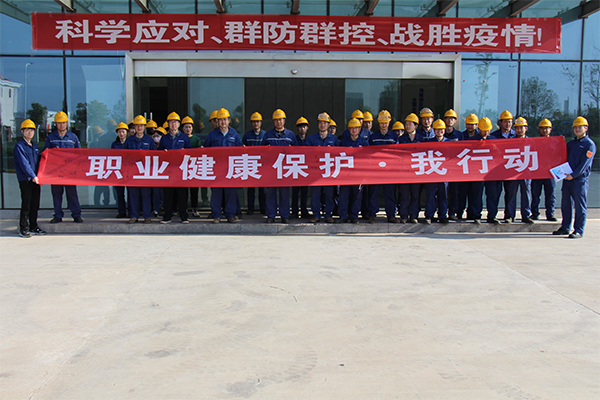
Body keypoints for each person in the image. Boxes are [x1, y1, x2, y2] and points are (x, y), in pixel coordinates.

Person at [553, 117, 596, 239]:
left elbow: (585, 164)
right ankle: (565, 228)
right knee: (566, 204)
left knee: (580, 205)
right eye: (575, 127)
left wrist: (574, 175)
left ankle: (578, 230)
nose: (577, 129)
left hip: (579, 180)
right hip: (567, 179)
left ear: (586, 128)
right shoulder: (571, 143)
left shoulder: (589, 145)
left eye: (579, 127)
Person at [204, 108, 242, 223]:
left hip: (230, 168)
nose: (223, 122)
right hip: (216, 169)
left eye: (225, 119)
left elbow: (240, 151)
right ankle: (217, 215)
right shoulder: (212, 135)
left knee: (230, 192)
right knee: (216, 192)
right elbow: (205, 151)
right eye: (220, 120)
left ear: (229, 120)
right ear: (217, 121)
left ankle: (230, 214)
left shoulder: (234, 134)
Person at [45, 111, 83, 224]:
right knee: (57, 194)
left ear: (67, 123)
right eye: (59, 123)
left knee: (72, 194)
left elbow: (79, 154)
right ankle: (58, 215)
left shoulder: (73, 137)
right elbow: (45, 153)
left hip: (70, 172)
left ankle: (76, 215)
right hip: (56, 172)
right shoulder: (51, 137)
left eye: (63, 123)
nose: (61, 125)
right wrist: (53, 151)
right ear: (56, 124)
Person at [262, 109, 297, 223]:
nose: (278, 122)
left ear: (284, 120)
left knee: (284, 193)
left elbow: (297, 152)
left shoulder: (290, 135)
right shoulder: (268, 135)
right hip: (271, 170)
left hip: (285, 169)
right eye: (276, 120)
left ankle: (284, 215)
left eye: (280, 120)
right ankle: (271, 215)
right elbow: (261, 151)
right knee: (270, 193)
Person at [14, 119, 45, 238]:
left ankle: (33, 226)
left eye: (32, 130)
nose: (30, 132)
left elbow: (40, 161)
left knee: (35, 205)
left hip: (36, 180)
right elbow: (24, 164)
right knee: (26, 205)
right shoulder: (19, 146)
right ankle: (23, 228)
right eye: (27, 130)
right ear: (22, 131)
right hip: (26, 180)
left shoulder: (34, 146)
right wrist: (32, 176)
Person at [159, 112, 191, 224]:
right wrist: (163, 153)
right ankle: (167, 216)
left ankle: (184, 216)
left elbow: (190, 153)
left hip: (181, 170)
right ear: (168, 124)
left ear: (179, 124)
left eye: (175, 122)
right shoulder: (164, 138)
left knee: (182, 195)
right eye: (171, 122)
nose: (173, 124)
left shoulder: (184, 138)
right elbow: (158, 154)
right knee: (168, 194)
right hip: (168, 171)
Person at [307, 112, 339, 223]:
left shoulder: (334, 139)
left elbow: (340, 155)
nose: (322, 125)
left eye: (325, 123)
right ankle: (316, 215)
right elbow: (306, 154)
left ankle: (328, 214)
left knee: (329, 195)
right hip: (315, 172)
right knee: (315, 194)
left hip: (329, 172)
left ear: (328, 124)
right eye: (320, 122)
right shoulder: (311, 139)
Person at [124, 115, 156, 223]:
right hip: (132, 172)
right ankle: (134, 215)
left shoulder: (149, 140)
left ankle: (147, 215)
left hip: (145, 172)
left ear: (145, 127)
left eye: (141, 125)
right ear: (134, 127)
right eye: (137, 125)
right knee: (133, 194)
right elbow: (123, 155)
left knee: (146, 195)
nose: (139, 127)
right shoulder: (129, 140)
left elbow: (154, 156)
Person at [368, 110, 398, 223]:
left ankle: (391, 214)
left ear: (389, 122)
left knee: (390, 193)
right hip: (376, 170)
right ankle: (372, 214)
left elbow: (397, 153)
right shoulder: (373, 136)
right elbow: (369, 153)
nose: (384, 125)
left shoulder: (394, 136)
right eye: (382, 123)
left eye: (385, 122)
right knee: (374, 192)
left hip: (389, 171)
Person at [503, 117, 534, 224]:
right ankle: (509, 215)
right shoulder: (510, 141)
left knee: (526, 193)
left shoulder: (531, 142)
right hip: (512, 171)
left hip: (526, 171)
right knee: (511, 193)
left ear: (526, 128)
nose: (519, 130)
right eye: (517, 128)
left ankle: (526, 215)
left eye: (522, 127)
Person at [338, 118, 369, 223]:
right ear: (349, 129)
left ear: (360, 129)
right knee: (343, 195)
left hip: (358, 174)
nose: (354, 130)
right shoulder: (344, 142)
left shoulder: (364, 142)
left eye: (356, 128)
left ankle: (354, 216)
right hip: (346, 174)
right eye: (352, 128)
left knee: (357, 195)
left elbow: (368, 157)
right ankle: (343, 216)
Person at [397, 113, 424, 223]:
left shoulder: (421, 139)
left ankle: (413, 215)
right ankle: (404, 215)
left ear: (416, 126)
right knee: (404, 194)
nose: (407, 126)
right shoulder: (401, 139)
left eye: (410, 124)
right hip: (404, 172)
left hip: (416, 171)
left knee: (415, 194)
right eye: (406, 124)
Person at [422, 119, 450, 224]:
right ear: (434, 130)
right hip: (432, 172)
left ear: (445, 130)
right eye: (437, 129)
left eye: (441, 129)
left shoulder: (449, 143)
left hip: (444, 173)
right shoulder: (429, 142)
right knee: (430, 195)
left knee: (443, 195)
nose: (439, 131)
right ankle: (429, 215)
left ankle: (442, 215)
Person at [466, 117, 494, 224]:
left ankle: (492, 215)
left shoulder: (494, 140)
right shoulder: (472, 140)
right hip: (477, 172)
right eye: (483, 130)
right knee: (476, 194)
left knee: (492, 194)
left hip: (490, 172)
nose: (485, 133)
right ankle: (476, 214)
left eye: (487, 130)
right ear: (479, 129)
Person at [531, 119, 557, 221]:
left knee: (550, 194)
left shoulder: (555, 142)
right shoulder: (535, 142)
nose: (544, 130)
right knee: (535, 194)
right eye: (542, 128)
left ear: (550, 129)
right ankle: (534, 213)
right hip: (537, 172)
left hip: (550, 173)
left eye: (547, 128)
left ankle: (550, 213)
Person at [456, 114, 480, 220]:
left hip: (476, 170)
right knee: (462, 193)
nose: (470, 126)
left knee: (475, 194)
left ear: (477, 125)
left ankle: (473, 214)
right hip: (463, 170)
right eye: (468, 124)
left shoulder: (481, 137)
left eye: (472, 124)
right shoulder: (461, 136)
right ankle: (459, 213)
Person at [242, 112, 266, 215]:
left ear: (261, 122)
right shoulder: (247, 136)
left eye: (257, 121)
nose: (256, 124)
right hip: (250, 165)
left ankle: (263, 208)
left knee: (263, 189)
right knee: (250, 189)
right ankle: (250, 208)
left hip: (262, 166)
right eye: (254, 122)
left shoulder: (265, 135)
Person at [180, 116, 201, 217]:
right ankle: (183, 208)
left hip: (193, 166)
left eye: (190, 127)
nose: (188, 129)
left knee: (194, 190)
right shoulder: (180, 138)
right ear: (182, 128)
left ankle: (194, 208)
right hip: (182, 167)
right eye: (186, 127)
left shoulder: (196, 139)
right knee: (183, 191)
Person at [291, 117, 310, 219]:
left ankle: (304, 211)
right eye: (300, 127)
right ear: (297, 128)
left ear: (307, 128)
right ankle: (294, 211)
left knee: (304, 192)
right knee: (295, 192)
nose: (302, 129)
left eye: (304, 126)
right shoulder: (293, 140)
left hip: (306, 170)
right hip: (295, 168)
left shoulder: (310, 140)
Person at [111, 122, 130, 218]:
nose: (121, 134)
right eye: (119, 132)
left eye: (123, 132)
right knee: (119, 193)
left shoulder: (130, 142)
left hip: (129, 171)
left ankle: (131, 211)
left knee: (131, 193)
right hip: (118, 171)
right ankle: (121, 211)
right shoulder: (114, 144)